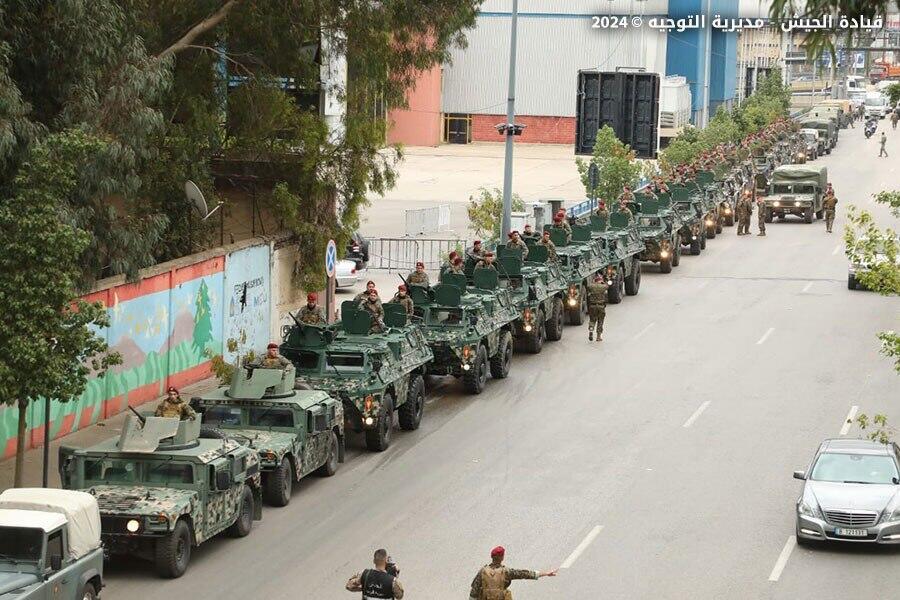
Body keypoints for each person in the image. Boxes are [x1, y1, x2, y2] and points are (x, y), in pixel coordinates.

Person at [468, 546, 556, 600]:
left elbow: (474, 592)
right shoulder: (506, 571)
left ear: (492, 557)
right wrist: (546, 573)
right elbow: (524, 574)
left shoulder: (483, 571)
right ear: (502, 557)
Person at [585, 273, 608, 342]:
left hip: (592, 306)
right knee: (600, 321)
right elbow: (607, 286)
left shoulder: (591, 286)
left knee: (592, 320)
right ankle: (598, 337)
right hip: (601, 306)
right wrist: (603, 282)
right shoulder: (603, 287)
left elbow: (588, 286)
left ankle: (591, 329)